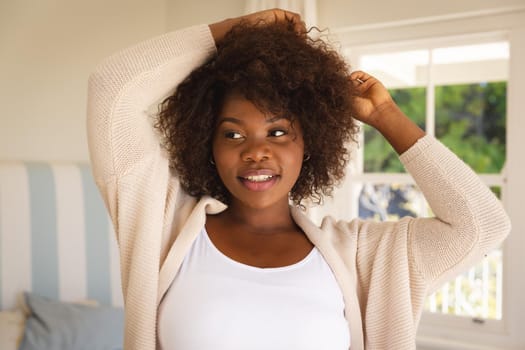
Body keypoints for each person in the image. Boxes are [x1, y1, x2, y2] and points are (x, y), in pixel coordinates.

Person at [86, 8, 511, 350]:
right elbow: (113, 89)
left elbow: (482, 225)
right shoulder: (164, 229)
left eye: (278, 131)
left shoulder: (360, 258)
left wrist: (386, 118)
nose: (256, 151)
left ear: (308, 142)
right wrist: (239, 30)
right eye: (233, 133)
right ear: (206, 145)